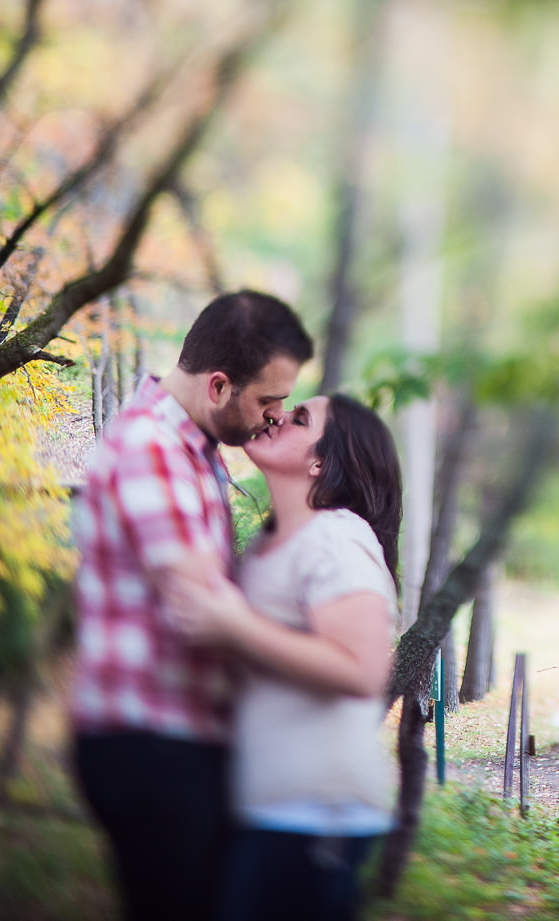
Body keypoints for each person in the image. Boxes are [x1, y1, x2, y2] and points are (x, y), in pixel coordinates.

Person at [69, 290, 314, 921]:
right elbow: (203, 611)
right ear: (219, 386)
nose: (273, 417)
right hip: (152, 742)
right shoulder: (152, 447)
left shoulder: (192, 450)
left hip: (175, 739)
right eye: (268, 401)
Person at [163, 393, 402, 921]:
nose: (276, 414)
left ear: (322, 462)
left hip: (317, 818)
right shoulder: (269, 547)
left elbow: (363, 671)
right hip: (268, 812)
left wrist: (235, 626)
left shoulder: (337, 537)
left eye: (300, 419)